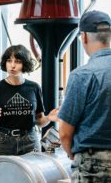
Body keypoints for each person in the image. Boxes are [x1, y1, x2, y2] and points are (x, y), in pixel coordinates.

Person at [57, 10, 111, 182]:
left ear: (84, 37)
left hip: (93, 164)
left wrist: (72, 154)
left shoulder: (82, 75)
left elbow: (65, 133)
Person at [0, 44, 58, 156]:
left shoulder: (34, 87)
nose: (12, 65)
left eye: (17, 61)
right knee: (1, 172)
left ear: (25, 64)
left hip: (30, 140)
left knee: (33, 172)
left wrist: (48, 118)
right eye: (9, 61)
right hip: (4, 141)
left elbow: (39, 121)